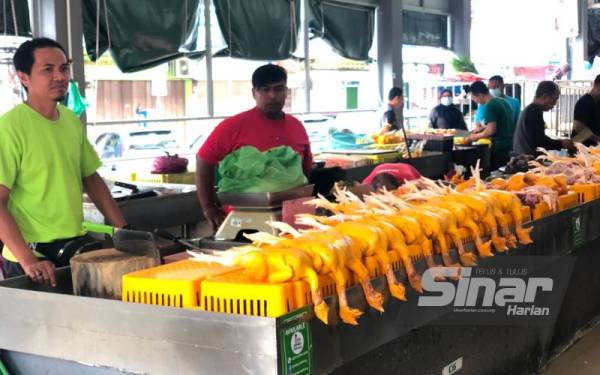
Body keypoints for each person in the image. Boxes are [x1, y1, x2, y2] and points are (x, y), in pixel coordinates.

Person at [0, 38, 127, 284]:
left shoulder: (70, 120)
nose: (59, 76)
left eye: (64, 68)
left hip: (73, 244)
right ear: (23, 78)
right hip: (33, 256)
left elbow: (90, 178)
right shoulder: (9, 128)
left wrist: (124, 229)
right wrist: (28, 260)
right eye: (48, 70)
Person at [196, 64, 312, 232]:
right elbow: (203, 161)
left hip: (292, 217)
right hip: (244, 221)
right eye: (265, 90)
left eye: (278, 89)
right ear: (254, 93)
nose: (272, 96)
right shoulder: (232, 126)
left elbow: (305, 172)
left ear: (286, 91)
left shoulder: (297, 126)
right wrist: (208, 207)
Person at [513, 81, 575, 156]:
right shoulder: (534, 110)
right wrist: (561, 143)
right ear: (544, 96)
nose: (555, 104)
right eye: (554, 99)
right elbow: (540, 141)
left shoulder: (530, 109)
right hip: (527, 159)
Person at [464, 81, 515, 170]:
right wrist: (483, 128)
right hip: (509, 144)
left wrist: (473, 137)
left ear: (480, 95)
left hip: (499, 147)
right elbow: (502, 122)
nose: (475, 101)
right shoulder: (502, 101)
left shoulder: (490, 106)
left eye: (474, 98)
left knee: (498, 174)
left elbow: (491, 130)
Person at [571, 74, 600, 146]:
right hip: (581, 146)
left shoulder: (598, 101)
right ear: (595, 85)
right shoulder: (584, 102)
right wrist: (597, 139)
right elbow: (578, 127)